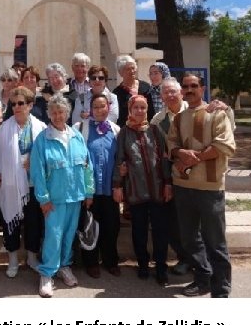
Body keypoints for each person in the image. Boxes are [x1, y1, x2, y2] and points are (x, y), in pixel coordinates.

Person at [167, 73, 236, 298]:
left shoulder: (216, 114)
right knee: (189, 238)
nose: (189, 89)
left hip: (210, 187)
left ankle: (221, 288)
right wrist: (180, 152)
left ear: (202, 89)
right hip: (183, 185)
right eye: (185, 86)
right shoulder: (178, 118)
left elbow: (224, 144)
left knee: (215, 240)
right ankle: (203, 278)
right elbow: (171, 144)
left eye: (194, 86)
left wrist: (196, 157)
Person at [31, 93, 94, 298]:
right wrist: (43, 198)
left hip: (75, 196)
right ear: (49, 114)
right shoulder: (43, 139)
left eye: (61, 112)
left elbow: (86, 165)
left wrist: (88, 191)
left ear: (67, 113)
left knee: (68, 235)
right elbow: (37, 171)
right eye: (54, 112)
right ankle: (47, 273)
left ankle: (64, 266)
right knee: (53, 236)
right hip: (54, 199)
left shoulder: (76, 136)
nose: (58, 116)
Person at [113, 94, 173, 286]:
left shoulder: (155, 131)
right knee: (139, 231)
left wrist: (167, 183)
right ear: (130, 110)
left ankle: (161, 267)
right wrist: (117, 186)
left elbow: (163, 159)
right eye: (136, 108)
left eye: (143, 108)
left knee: (160, 231)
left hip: (157, 190)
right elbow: (119, 161)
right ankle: (143, 265)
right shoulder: (124, 133)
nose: (139, 111)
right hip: (136, 191)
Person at [0, 86, 47, 277]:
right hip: (10, 184)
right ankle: (13, 260)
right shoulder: (4, 129)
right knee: (11, 223)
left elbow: (47, 154)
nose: (16, 107)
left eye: (21, 103)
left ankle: (32, 258)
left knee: (33, 224)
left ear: (30, 105)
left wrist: (35, 162)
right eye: (13, 104)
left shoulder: (41, 127)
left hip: (33, 185)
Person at [73, 93, 122, 278]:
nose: (100, 110)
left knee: (111, 226)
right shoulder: (80, 128)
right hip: (90, 190)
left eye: (103, 106)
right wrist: (85, 191)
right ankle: (91, 262)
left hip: (110, 189)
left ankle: (110, 261)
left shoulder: (116, 130)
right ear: (90, 110)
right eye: (96, 107)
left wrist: (120, 185)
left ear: (108, 108)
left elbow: (120, 159)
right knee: (89, 226)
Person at [150, 77, 192, 275]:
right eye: (165, 92)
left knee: (196, 220)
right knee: (174, 220)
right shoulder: (157, 121)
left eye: (173, 91)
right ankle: (184, 258)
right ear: (161, 97)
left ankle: (201, 260)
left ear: (181, 92)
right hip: (173, 175)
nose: (170, 95)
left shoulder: (197, 111)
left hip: (198, 174)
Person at [112, 54, 155, 127]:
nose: (132, 71)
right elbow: (118, 117)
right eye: (128, 69)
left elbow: (152, 111)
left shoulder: (146, 87)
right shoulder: (117, 93)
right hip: (127, 131)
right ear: (121, 73)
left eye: (133, 68)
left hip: (146, 129)